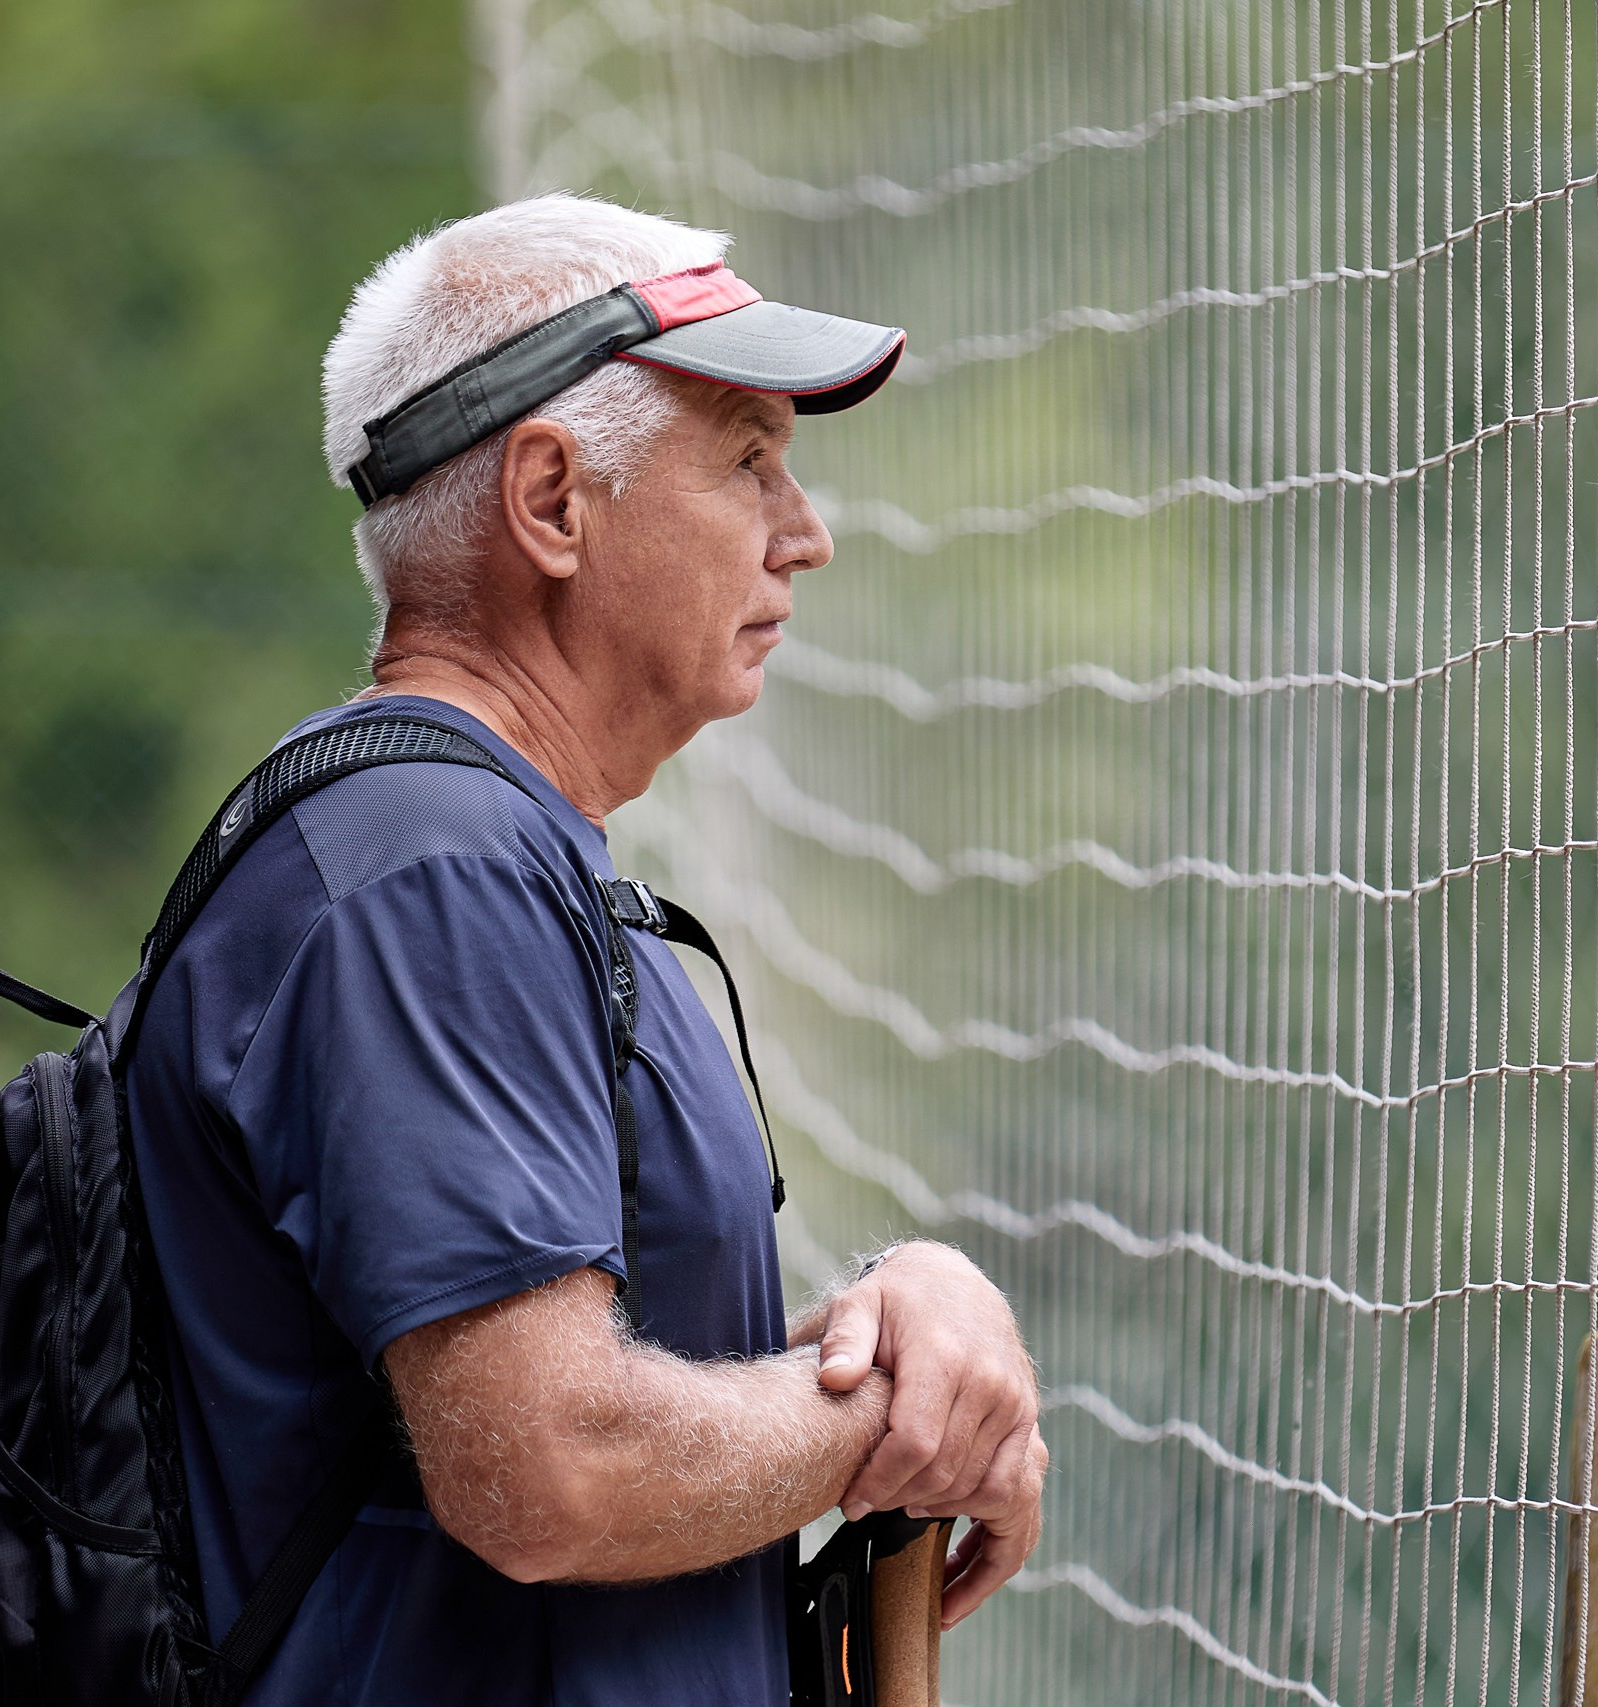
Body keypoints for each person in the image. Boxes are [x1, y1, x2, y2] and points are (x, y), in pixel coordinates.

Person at [123, 193, 1047, 1703]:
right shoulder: (429, 876)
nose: (804, 535)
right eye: (748, 459)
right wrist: (902, 1414)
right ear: (555, 501)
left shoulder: (473, 852)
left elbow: (583, 1392)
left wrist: (904, 1310)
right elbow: (549, 1465)